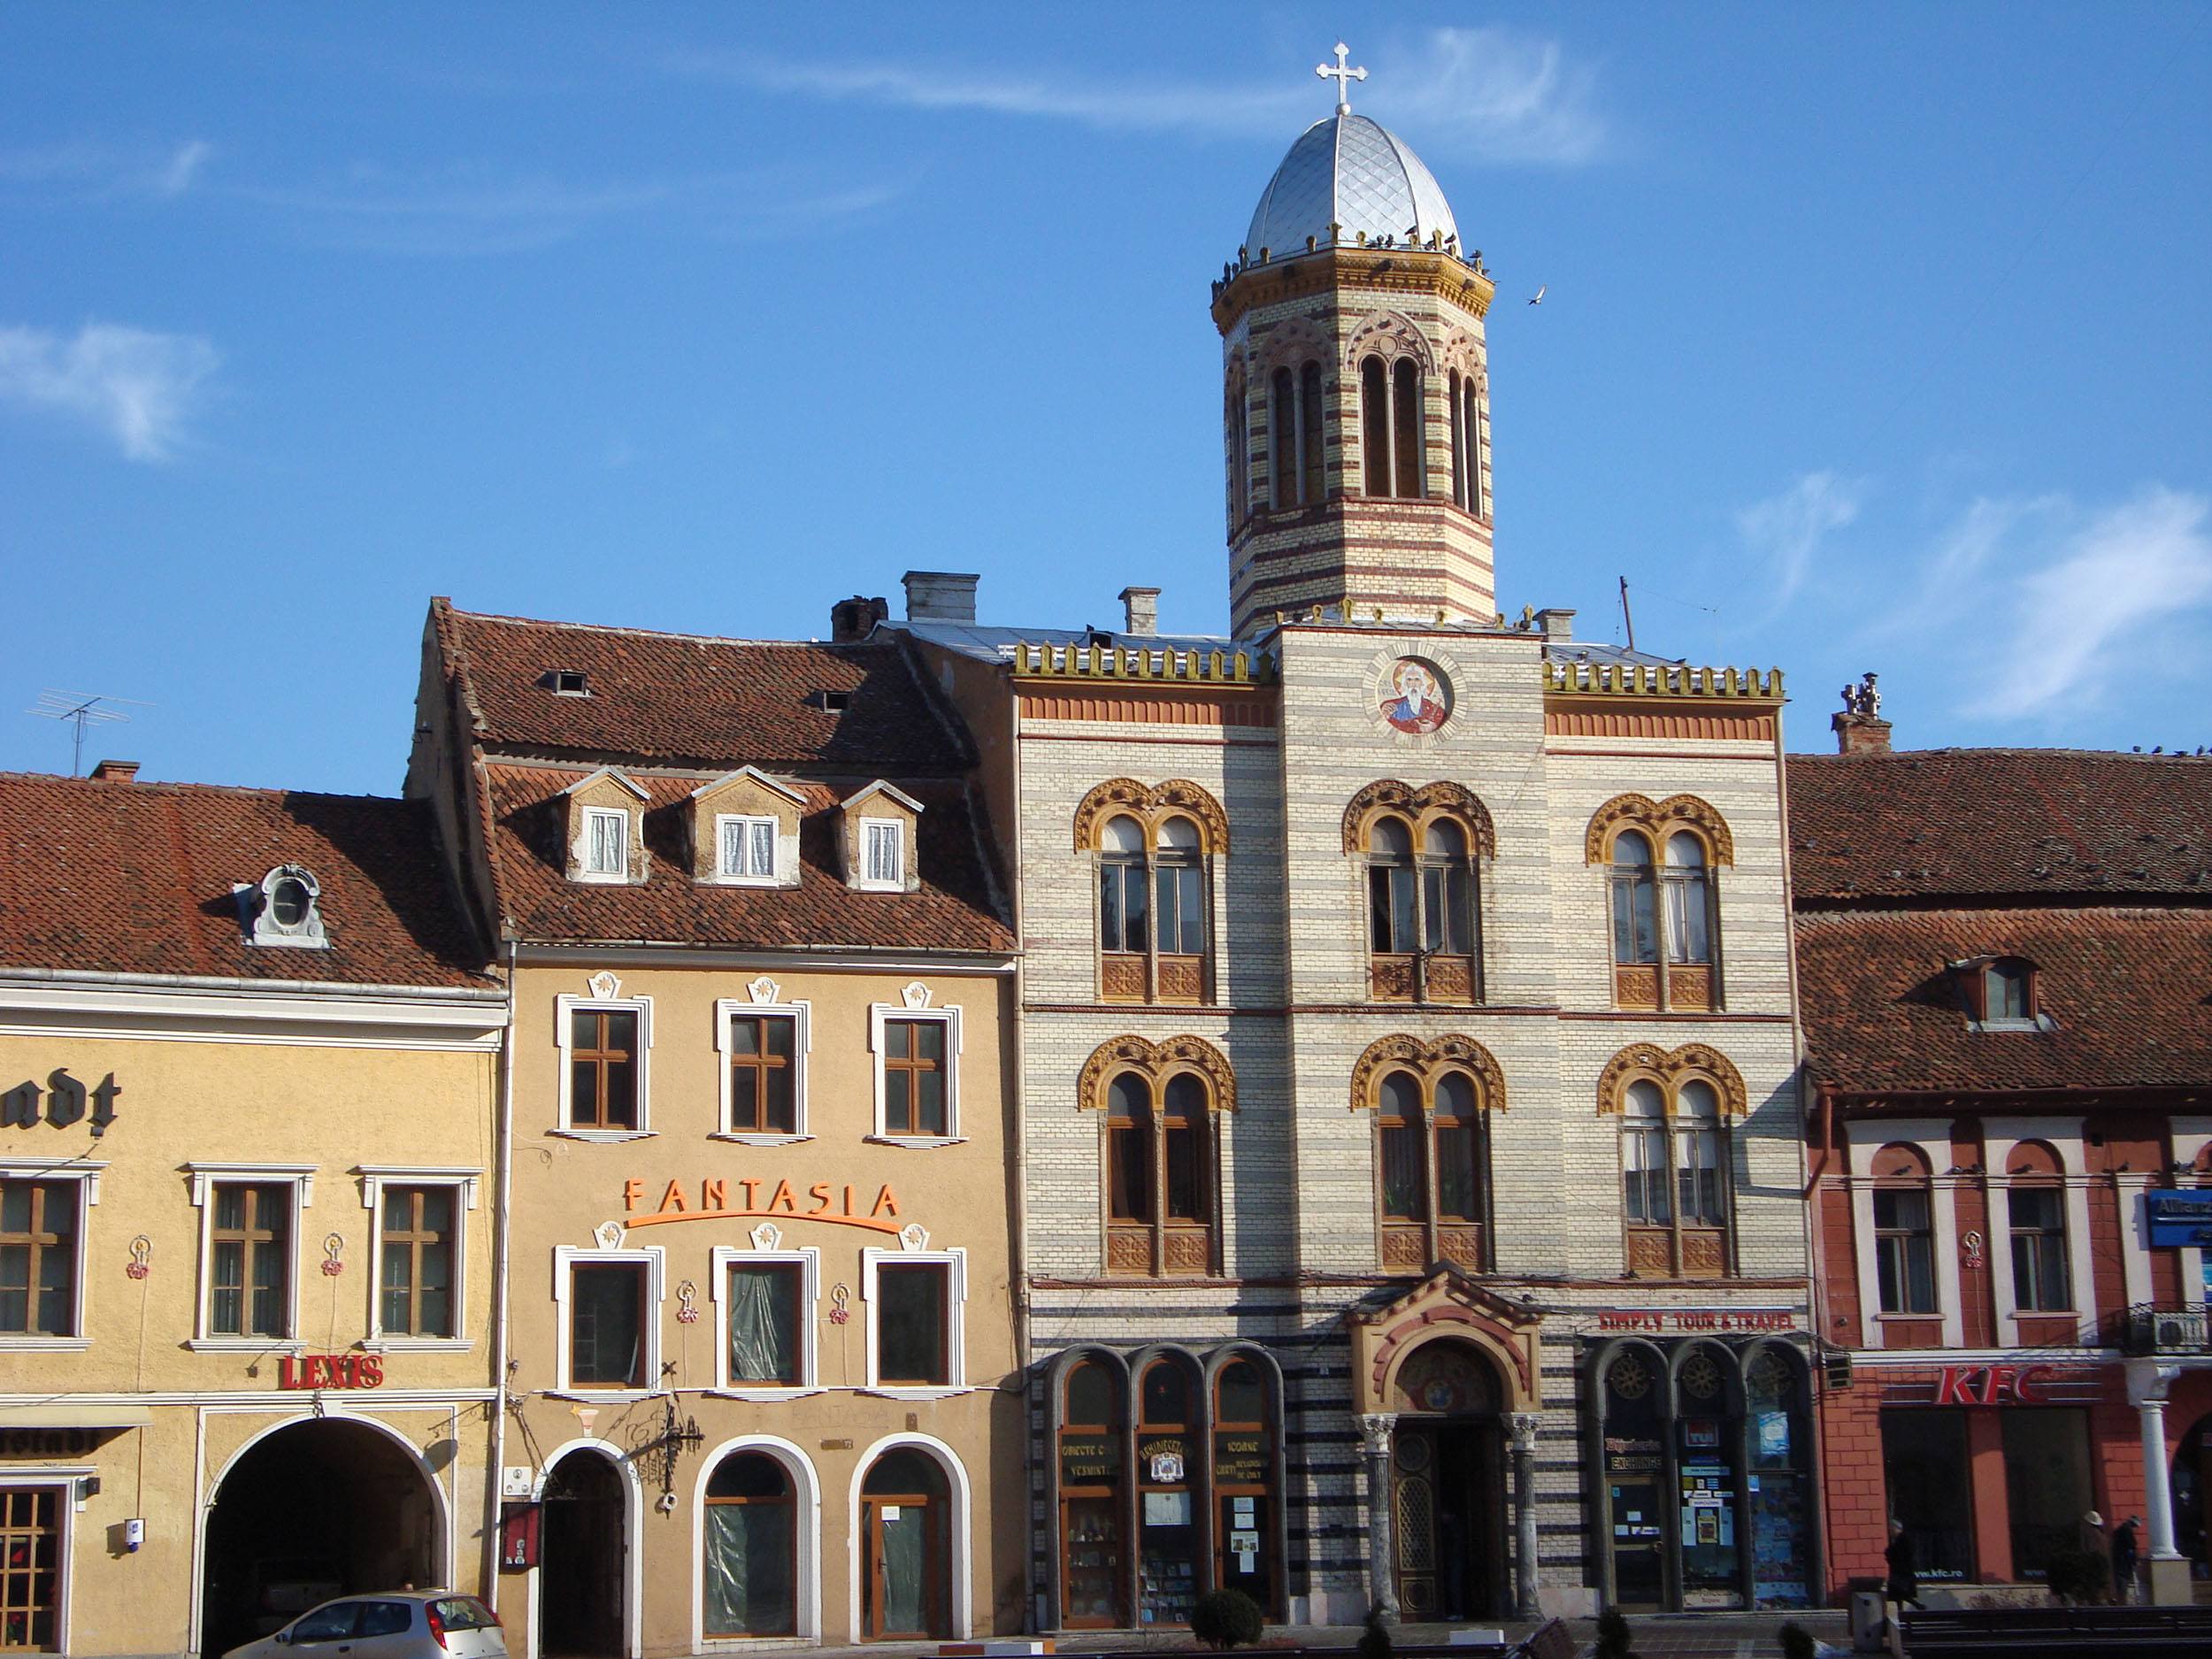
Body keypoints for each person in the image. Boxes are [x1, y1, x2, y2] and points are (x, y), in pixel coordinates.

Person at [1884, 1518, 1921, 1616]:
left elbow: (1899, 1555)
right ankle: (1903, 1612)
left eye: (1891, 1529)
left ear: (1896, 1528)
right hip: (1901, 1572)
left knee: (1899, 1593)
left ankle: (1915, 1607)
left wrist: (1889, 1554)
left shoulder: (1903, 1539)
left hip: (1902, 1572)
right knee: (1898, 1595)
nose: (1889, 1531)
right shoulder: (1899, 1540)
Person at [2111, 1515, 2141, 1604]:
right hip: (2123, 1562)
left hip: (2119, 1561)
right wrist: (2134, 1560)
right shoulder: (2127, 1531)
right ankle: (2122, 1602)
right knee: (2123, 1583)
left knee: (2121, 1582)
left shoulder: (2120, 1530)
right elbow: (2131, 1547)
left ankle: (2121, 1600)